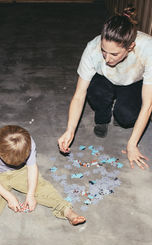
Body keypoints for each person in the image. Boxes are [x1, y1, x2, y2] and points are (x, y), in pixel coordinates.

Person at [0, 125, 86, 245]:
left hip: (22, 171)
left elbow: (32, 168)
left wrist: (30, 194)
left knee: (42, 187)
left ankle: (66, 210)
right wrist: (9, 196)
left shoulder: (28, 143)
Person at [58, 7, 152, 170]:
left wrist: (132, 145)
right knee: (95, 93)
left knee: (126, 117)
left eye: (114, 54)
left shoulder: (148, 48)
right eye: (104, 51)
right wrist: (70, 130)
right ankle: (103, 119)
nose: (107, 58)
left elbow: (148, 104)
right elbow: (79, 95)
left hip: (133, 82)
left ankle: (119, 111)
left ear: (130, 47)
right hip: (105, 79)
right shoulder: (92, 49)